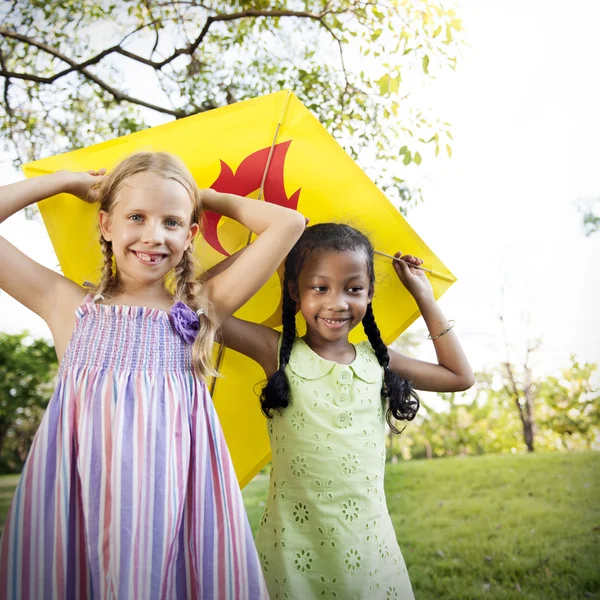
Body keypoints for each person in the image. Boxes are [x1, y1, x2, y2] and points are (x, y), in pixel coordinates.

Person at [0, 152, 306, 599]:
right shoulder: (66, 305)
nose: (153, 236)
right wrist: (64, 183)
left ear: (191, 234)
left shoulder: (202, 306)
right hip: (81, 496)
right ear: (106, 225)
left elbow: (290, 224)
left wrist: (199, 196)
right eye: (136, 217)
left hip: (174, 502)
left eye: (171, 223)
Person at [220, 222, 475, 599]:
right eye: (319, 287)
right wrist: (271, 248)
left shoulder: (378, 361)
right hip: (294, 548)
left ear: (370, 293)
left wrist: (424, 296)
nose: (337, 303)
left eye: (353, 289)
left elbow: (459, 376)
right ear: (294, 290)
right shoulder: (274, 352)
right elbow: (198, 308)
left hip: (370, 546)